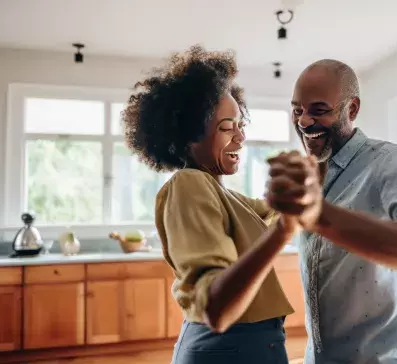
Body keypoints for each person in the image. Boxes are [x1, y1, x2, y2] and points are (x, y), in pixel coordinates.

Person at [121, 45, 321, 364]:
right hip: (227, 350)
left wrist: (311, 170)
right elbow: (216, 307)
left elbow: (268, 208)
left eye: (241, 125)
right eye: (227, 127)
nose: (240, 137)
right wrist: (284, 232)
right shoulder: (189, 184)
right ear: (188, 136)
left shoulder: (219, 192)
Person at [266, 59, 397, 364]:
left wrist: (318, 213)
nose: (304, 122)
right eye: (297, 110)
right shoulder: (309, 175)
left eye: (319, 110)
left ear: (352, 109)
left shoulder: (391, 162)